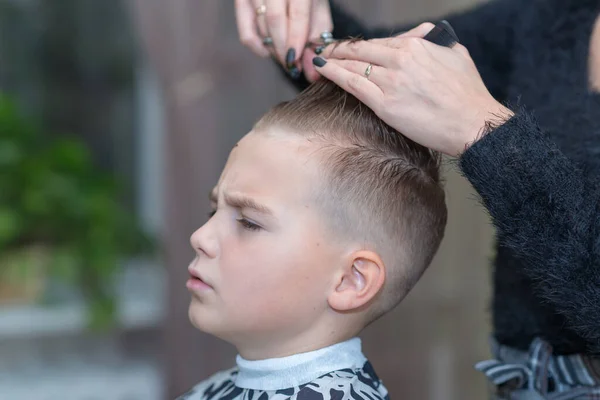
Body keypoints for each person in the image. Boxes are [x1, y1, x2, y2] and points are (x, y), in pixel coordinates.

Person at [235, 0, 600, 398]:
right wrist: (302, 21)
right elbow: (393, 76)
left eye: (249, 221)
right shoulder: (557, 15)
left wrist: (480, 128)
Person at [176, 78, 447, 400]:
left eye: (248, 223)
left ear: (351, 280)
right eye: (213, 212)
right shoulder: (213, 389)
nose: (200, 237)